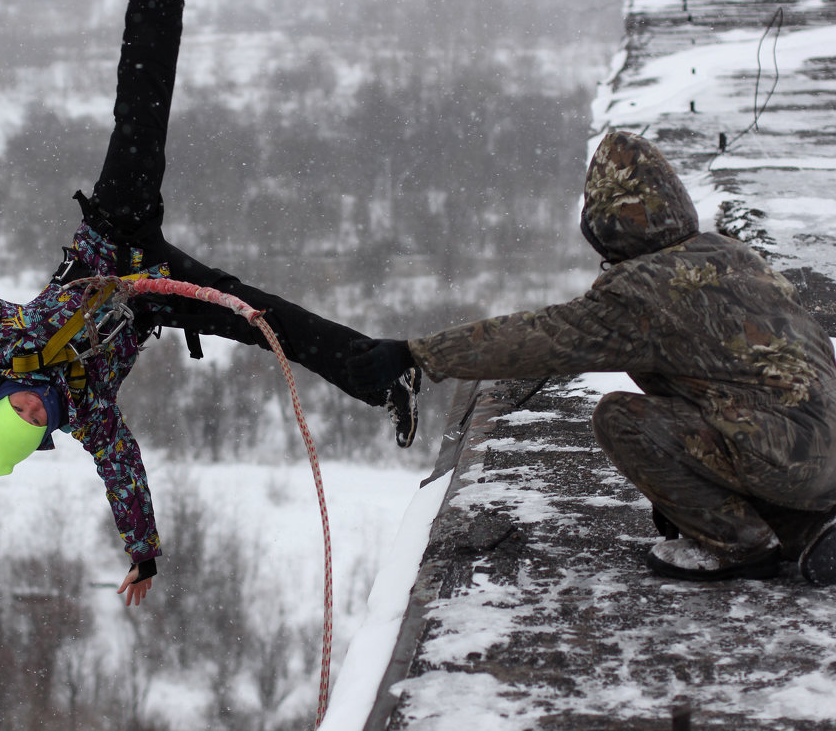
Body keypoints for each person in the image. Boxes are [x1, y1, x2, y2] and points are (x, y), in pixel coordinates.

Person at [0, 0, 421, 607]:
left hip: (113, 235)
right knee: (266, 321)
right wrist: (144, 556)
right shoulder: (90, 418)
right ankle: (384, 373)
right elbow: (124, 480)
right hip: (155, 296)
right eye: (31, 419)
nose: (31, 405)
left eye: (15, 406)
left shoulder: (4, 339)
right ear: (43, 433)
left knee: (139, 114)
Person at [347, 130, 836, 585]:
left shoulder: (642, 291)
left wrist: (418, 352)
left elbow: (538, 338)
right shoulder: (733, 254)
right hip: (821, 448)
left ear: (604, 227)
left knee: (621, 418)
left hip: (782, 456)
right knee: (748, 421)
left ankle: (741, 544)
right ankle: (805, 526)